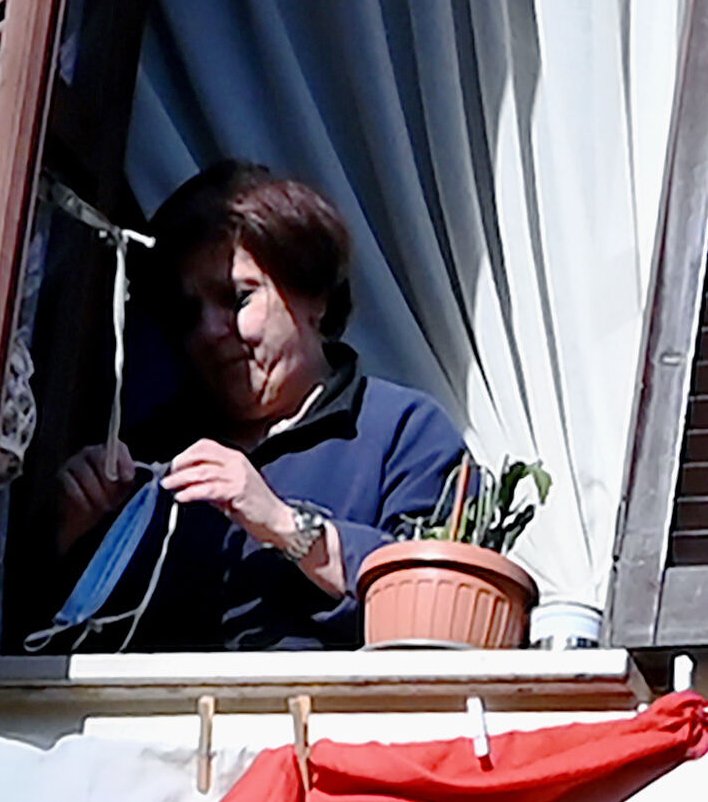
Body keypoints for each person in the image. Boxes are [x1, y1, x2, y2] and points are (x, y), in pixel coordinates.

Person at [47, 162, 469, 651]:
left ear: (315, 297)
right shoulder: (150, 453)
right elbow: (43, 638)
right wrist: (67, 538)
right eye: (188, 314)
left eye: (237, 298)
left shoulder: (404, 433)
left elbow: (443, 613)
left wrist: (285, 526)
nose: (209, 330)